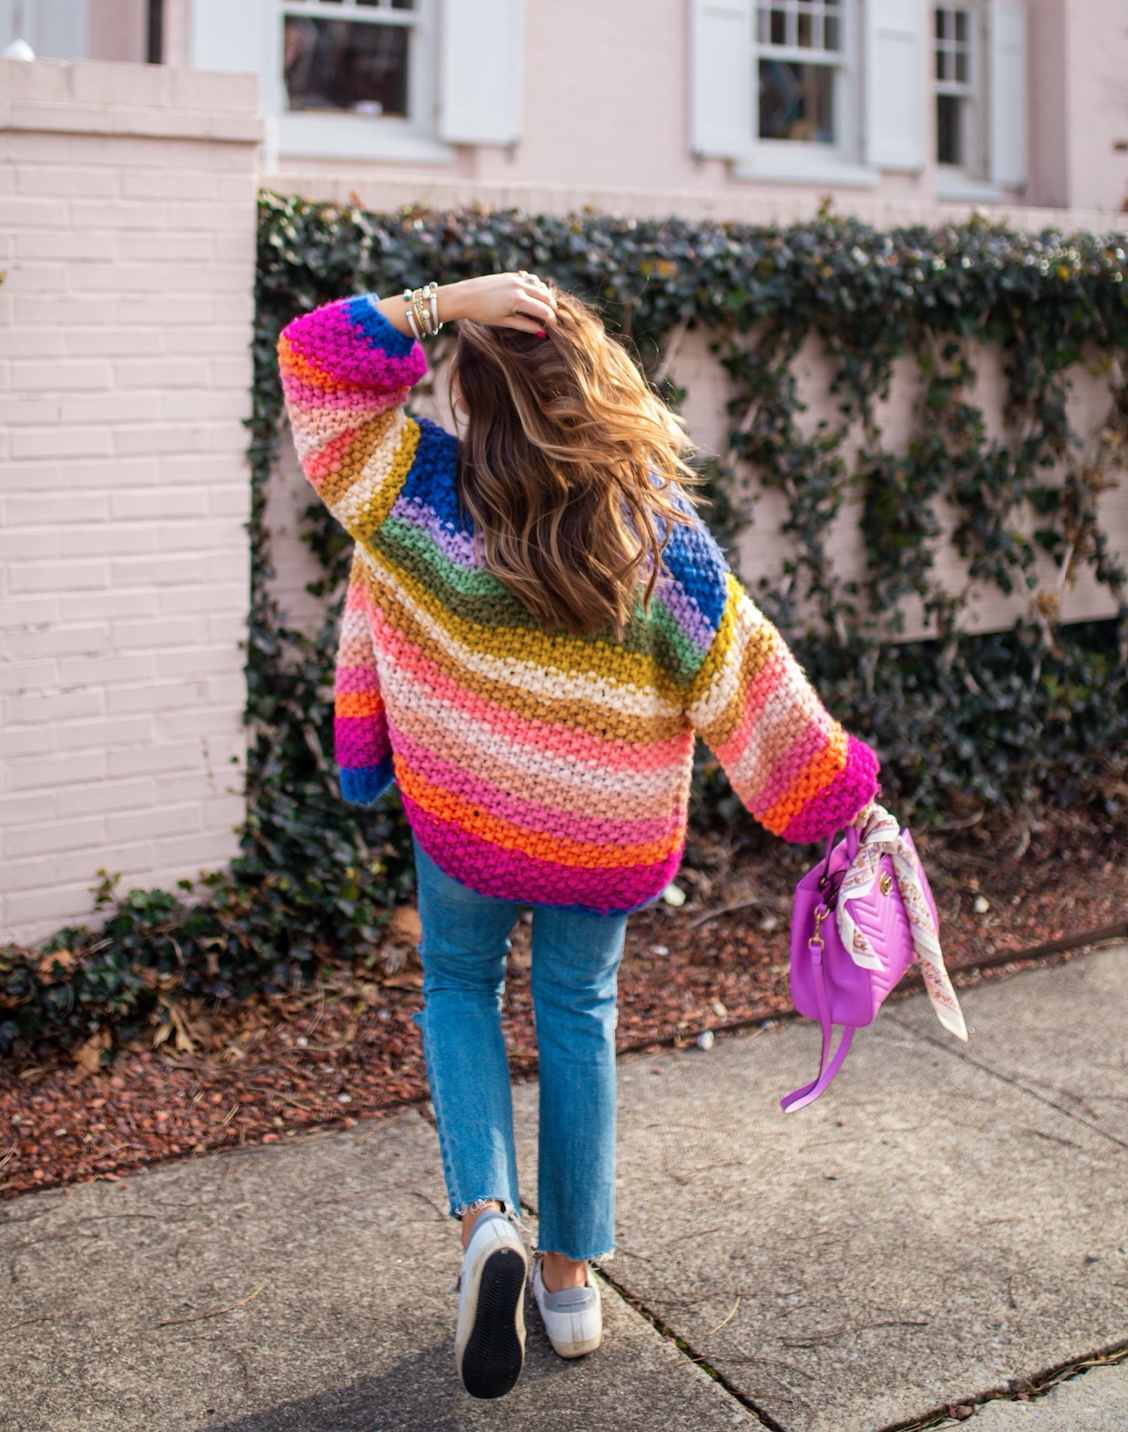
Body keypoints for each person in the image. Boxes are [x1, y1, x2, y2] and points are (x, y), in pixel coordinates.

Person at [277, 272, 879, 1399]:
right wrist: (846, 801)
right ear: (594, 385)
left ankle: (488, 1221)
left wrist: (446, 301)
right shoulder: (655, 532)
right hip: (597, 842)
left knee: (459, 990)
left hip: (462, 819)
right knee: (579, 1016)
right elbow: (749, 685)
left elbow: (315, 361)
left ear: (473, 393)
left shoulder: (415, 491)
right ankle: (565, 1279)